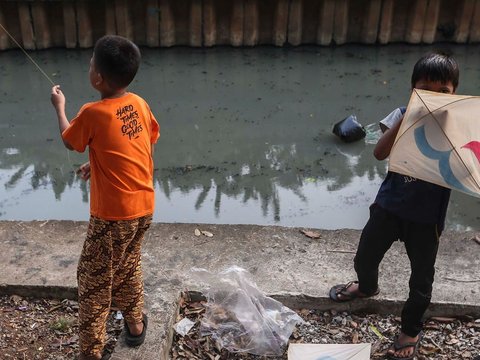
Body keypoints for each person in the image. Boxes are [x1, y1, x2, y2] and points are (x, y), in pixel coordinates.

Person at [329, 51, 459, 360]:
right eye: (425, 88)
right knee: (365, 256)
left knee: (421, 280)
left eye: (443, 91)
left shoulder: (457, 125)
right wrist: (408, 115)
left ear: (454, 93)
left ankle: (411, 329)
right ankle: (367, 287)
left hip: (427, 219)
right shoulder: (400, 113)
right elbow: (379, 153)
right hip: (389, 206)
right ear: (413, 89)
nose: (434, 96)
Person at [50, 35, 160, 360]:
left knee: (93, 282)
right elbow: (143, 143)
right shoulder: (139, 103)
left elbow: (71, 140)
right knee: (127, 265)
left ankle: (91, 352)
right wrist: (98, 162)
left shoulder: (92, 112)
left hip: (113, 217)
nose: (89, 68)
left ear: (97, 77)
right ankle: (136, 326)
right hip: (144, 207)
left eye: (90, 64)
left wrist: (60, 108)